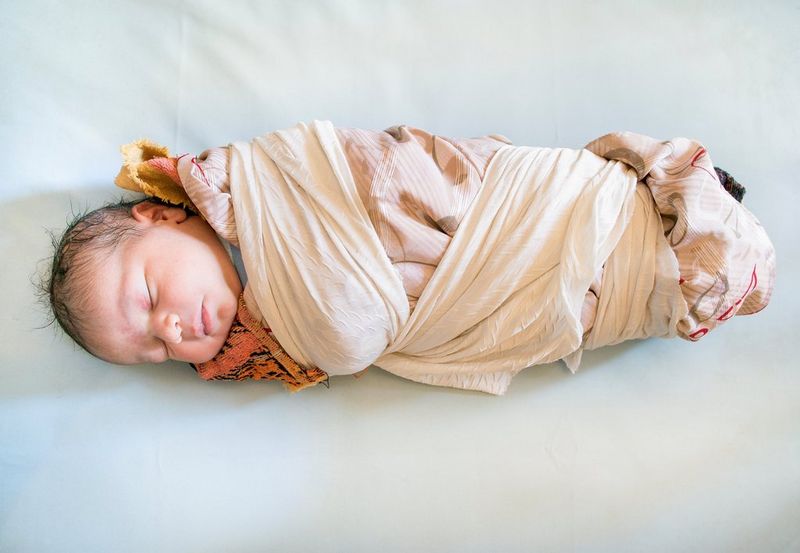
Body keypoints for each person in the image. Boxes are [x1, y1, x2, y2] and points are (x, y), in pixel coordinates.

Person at [39, 122, 776, 395]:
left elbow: (395, 172)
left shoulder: (267, 180)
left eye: (145, 300)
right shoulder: (265, 348)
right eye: (154, 350)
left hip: (499, 210)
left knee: (461, 189)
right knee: (632, 294)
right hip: (495, 305)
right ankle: (664, 250)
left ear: (159, 212)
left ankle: (647, 213)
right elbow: (352, 333)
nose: (171, 330)